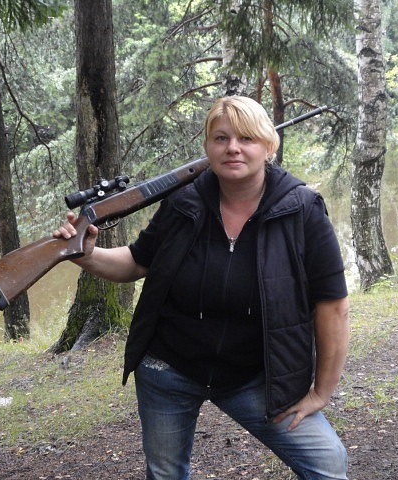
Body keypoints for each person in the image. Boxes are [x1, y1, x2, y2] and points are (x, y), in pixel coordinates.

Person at [54, 95, 351, 480]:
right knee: (166, 474)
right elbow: (137, 261)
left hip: (256, 376)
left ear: (268, 146)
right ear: (208, 146)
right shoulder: (183, 200)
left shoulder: (302, 209)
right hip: (168, 370)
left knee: (327, 462)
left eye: (246, 138)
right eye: (221, 138)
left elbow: (333, 306)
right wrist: (86, 255)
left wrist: (321, 391)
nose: (233, 148)